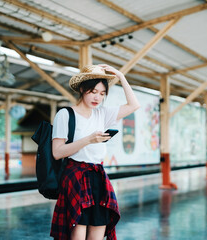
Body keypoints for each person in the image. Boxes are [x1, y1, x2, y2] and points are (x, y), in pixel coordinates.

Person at [50, 64, 140, 240]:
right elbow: (57, 152)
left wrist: (121, 76)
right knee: (78, 230)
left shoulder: (102, 114)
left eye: (102, 93)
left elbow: (133, 105)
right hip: (75, 176)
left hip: (98, 177)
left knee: (98, 230)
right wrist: (88, 140)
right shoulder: (66, 114)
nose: (97, 97)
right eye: (93, 91)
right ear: (82, 89)